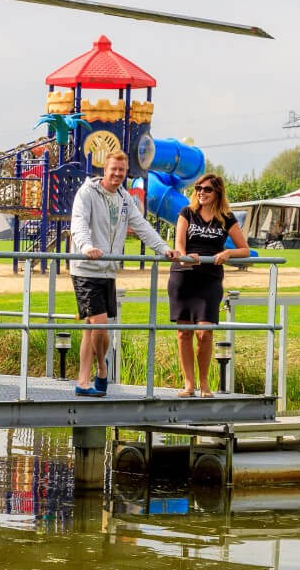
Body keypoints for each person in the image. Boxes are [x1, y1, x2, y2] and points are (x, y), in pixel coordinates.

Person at [70, 151, 179, 397]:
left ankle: (83, 381)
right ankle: (102, 369)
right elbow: (78, 223)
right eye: (113, 170)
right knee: (99, 326)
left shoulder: (124, 198)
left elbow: (141, 225)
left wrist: (163, 248)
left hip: (108, 270)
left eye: (121, 170)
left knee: (91, 328)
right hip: (86, 268)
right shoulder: (87, 193)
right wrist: (86, 247)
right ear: (104, 170)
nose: (117, 174)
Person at [169, 173, 250, 397]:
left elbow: (244, 249)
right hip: (184, 276)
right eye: (198, 188)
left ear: (218, 193)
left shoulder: (226, 217)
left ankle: (204, 383)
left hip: (209, 279)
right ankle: (188, 384)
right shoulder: (187, 213)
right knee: (184, 333)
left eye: (207, 189)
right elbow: (179, 243)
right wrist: (185, 258)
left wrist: (228, 253)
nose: (201, 193)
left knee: (205, 332)